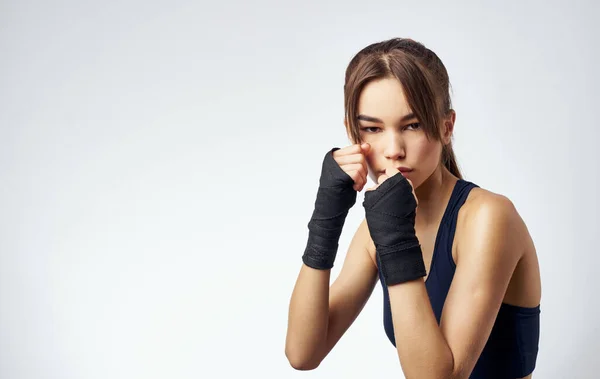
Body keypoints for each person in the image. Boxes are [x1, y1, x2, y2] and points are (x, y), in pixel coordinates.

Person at [284, 37, 542, 379]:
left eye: (412, 125)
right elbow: (303, 353)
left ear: (446, 127)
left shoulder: (488, 218)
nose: (393, 149)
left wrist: (395, 238)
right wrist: (325, 218)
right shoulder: (375, 232)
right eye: (372, 129)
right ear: (352, 134)